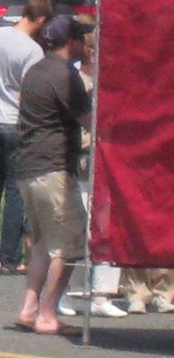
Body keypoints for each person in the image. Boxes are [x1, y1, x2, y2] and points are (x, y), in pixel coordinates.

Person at [14, 15, 93, 336]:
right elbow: (90, 120)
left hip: (27, 169)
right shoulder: (65, 75)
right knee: (70, 244)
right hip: (54, 169)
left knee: (42, 244)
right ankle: (47, 315)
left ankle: (29, 308)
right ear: (71, 42)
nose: (85, 46)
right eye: (82, 40)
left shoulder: (35, 71)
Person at [0, 0, 55, 275]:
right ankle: (9, 257)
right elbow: (31, 92)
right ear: (41, 20)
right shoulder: (32, 52)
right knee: (16, 193)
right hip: (17, 122)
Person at [56, 20, 126, 318]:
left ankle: (100, 294)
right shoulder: (74, 81)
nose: (98, 54)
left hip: (108, 162)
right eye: (94, 48)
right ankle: (66, 293)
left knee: (106, 228)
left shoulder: (112, 84)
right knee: (78, 230)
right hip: (81, 161)